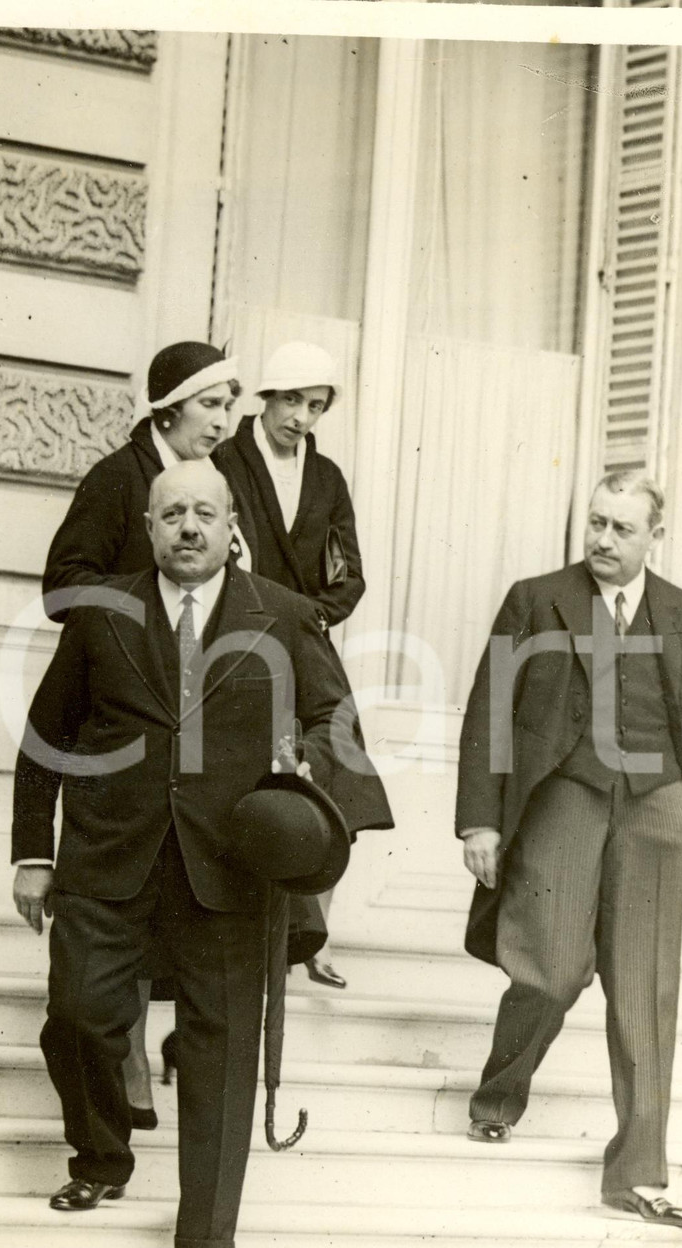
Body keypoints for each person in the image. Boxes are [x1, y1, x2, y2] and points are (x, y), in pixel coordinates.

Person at [12, 459, 385, 1248]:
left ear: (231, 529)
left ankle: (207, 1241)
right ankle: (102, 1155)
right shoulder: (101, 614)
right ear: (147, 528)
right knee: (78, 1014)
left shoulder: (284, 617)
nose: (188, 527)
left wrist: (306, 773)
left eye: (205, 513)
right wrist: (34, 853)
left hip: (232, 867)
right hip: (109, 860)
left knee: (219, 1054)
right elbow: (45, 735)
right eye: (171, 512)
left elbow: (338, 717)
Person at [456, 471, 682, 1229]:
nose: (603, 540)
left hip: (655, 809)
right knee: (551, 967)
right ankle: (499, 1094)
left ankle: (637, 1170)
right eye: (596, 523)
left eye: (621, 529)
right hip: (566, 796)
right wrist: (481, 820)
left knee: (645, 990)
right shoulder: (536, 598)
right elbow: (489, 711)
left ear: (652, 538)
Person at [41, 340, 246, 1124]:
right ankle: (119, 1098)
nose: (227, 422)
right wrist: (142, 613)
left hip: (200, 700)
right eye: (213, 406)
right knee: (109, 935)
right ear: (168, 409)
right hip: (123, 685)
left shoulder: (221, 483)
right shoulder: (117, 478)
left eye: (231, 407)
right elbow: (63, 581)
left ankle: (162, 1063)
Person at [214, 341, 382, 988]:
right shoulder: (226, 461)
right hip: (238, 639)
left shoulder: (327, 477)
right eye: (291, 400)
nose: (301, 418)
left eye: (315, 406)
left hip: (306, 638)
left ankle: (316, 939)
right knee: (255, 783)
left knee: (338, 764)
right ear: (266, 397)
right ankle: (265, 940)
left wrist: (312, 615)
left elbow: (351, 573)